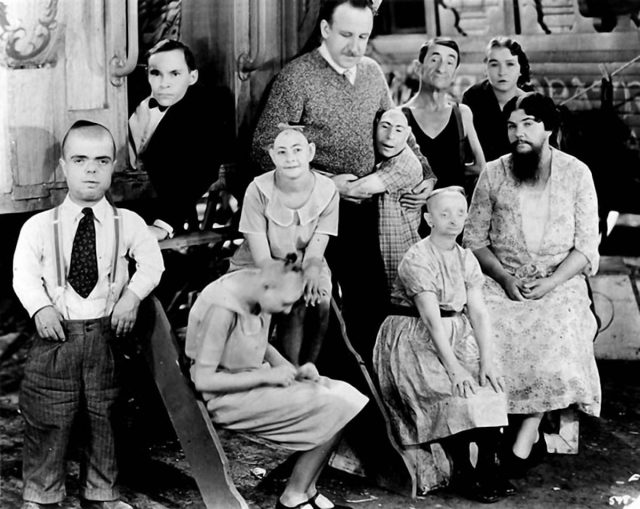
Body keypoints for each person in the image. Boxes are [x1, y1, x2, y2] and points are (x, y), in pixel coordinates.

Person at [251, 0, 436, 358]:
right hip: (315, 212)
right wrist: (325, 183)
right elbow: (263, 147)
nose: (355, 47)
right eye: (346, 35)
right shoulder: (297, 76)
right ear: (325, 30)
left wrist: (426, 175)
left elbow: (401, 129)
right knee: (321, 307)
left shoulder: (371, 72)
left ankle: (367, 384)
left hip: (368, 212)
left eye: (363, 36)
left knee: (372, 302)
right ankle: (329, 381)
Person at [13, 121, 165, 509]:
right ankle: (41, 495)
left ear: (113, 166)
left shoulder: (127, 223)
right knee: (48, 416)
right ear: (64, 166)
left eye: (101, 161)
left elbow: (153, 264)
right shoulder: (38, 226)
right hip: (55, 339)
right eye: (80, 160)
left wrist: (131, 297)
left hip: (106, 336)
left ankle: (101, 493)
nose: (91, 170)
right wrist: (40, 306)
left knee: (105, 417)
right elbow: (23, 274)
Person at [463, 92, 601, 477]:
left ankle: (526, 433)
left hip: (559, 283)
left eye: (528, 124)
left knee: (554, 336)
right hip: (500, 280)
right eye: (512, 126)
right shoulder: (493, 173)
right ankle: (490, 429)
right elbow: (474, 240)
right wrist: (505, 278)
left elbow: (585, 247)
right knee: (479, 337)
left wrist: (551, 282)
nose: (518, 134)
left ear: (549, 128)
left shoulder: (577, 173)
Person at [186, 256, 368, 509]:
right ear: (267, 287)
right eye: (285, 303)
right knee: (332, 406)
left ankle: (307, 490)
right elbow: (204, 380)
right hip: (226, 396)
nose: (286, 311)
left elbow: (261, 344)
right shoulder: (222, 308)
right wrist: (267, 376)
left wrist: (292, 370)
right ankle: (293, 497)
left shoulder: (258, 290)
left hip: (253, 380)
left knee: (345, 395)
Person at [373, 186, 510, 502]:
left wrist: (487, 360)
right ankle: (462, 470)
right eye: (444, 213)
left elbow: (478, 311)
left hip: (457, 331)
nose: (453, 220)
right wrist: (455, 369)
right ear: (428, 219)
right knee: (453, 393)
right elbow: (431, 320)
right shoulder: (417, 258)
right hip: (413, 336)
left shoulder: (465, 258)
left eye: (460, 213)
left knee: (490, 385)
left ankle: (487, 467)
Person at [229, 125, 338, 365]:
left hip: (305, 259)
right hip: (259, 263)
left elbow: (318, 244)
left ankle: (304, 367)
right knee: (273, 299)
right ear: (272, 156)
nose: (290, 158)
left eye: (297, 150)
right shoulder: (258, 189)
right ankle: (274, 365)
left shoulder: (327, 190)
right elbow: (261, 256)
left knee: (319, 299)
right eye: (282, 152)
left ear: (310, 152)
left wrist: (311, 269)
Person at [129, 39, 234, 240]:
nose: (164, 83)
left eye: (175, 74)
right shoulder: (128, 99)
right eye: (156, 73)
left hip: (160, 208)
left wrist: (164, 224)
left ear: (192, 77)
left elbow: (202, 170)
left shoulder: (203, 115)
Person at [345, 108, 422, 293]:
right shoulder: (382, 156)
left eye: (398, 129)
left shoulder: (405, 164)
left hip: (400, 255)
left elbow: (355, 189)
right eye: (385, 126)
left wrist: (324, 180)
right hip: (379, 250)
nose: (390, 136)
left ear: (408, 134)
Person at [402, 37, 486, 192]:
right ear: (418, 67)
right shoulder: (400, 116)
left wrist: (451, 176)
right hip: (411, 204)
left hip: (454, 205)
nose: (441, 68)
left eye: (450, 63)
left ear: (454, 73)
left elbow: (480, 167)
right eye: (434, 60)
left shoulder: (462, 114)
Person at [462, 37, 532, 163]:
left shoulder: (530, 101)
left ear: (521, 69)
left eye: (510, 64)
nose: (502, 72)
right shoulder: (472, 98)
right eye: (494, 65)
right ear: (486, 69)